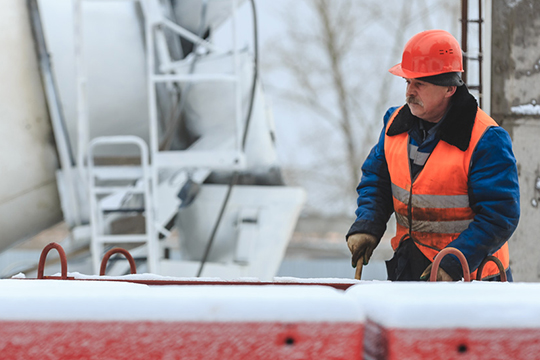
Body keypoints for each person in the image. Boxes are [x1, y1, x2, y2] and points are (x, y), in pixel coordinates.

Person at [346, 30, 519, 281]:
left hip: (474, 281)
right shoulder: (394, 124)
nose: (409, 92)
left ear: (449, 88)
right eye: (407, 82)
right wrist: (368, 224)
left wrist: (453, 264)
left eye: (420, 83)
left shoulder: (486, 139)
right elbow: (377, 181)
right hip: (411, 270)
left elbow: (499, 216)